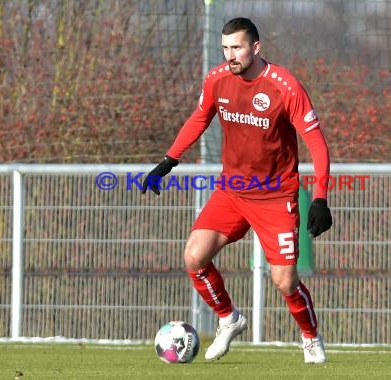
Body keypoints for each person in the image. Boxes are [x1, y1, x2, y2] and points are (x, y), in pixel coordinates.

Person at [142, 17, 333, 364]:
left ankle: (310, 338)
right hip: (232, 191)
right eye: (226, 48)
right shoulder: (217, 79)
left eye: (237, 48)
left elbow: (317, 145)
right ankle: (229, 319)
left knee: (284, 282)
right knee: (194, 256)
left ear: (255, 48)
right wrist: (169, 161)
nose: (231, 55)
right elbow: (199, 118)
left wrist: (320, 198)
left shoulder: (285, 86)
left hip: (276, 196)